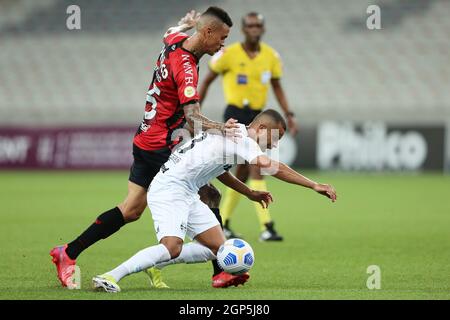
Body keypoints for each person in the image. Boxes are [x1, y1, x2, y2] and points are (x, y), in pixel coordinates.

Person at [50, 7, 241, 289]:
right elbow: (192, 116)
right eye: (222, 37)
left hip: (145, 137)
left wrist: (186, 24)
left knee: (130, 210)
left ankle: (67, 252)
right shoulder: (186, 67)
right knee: (208, 192)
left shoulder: (175, 41)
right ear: (208, 31)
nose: (223, 44)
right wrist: (222, 128)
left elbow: (170, 32)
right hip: (160, 144)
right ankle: (221, 270)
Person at [92, 109, 337, 293]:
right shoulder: (242, 137)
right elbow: (273, 167)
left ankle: (156, 264)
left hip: (187, 190)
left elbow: (220, 170)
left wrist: (249, 193)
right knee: (171, 246)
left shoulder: (234, 135)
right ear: (262, 128)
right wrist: (313, 184)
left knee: (218, 250)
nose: (275, 143)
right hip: (169, 189)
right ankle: (111, 276)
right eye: (276, 136)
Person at [198, 12, 299, 242]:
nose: (255, 29)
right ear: (243, 29)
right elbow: (206, 81)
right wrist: (196, 112)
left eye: (258, 25)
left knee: (243, 172)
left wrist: (289, 114)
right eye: (250, 25)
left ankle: (223, 221)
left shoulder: (270, 56)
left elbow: (277, 86)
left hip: (259, 117)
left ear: (262, 29)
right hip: (235, 114)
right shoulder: (228, 53)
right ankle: (267, 226)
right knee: (257, 167)